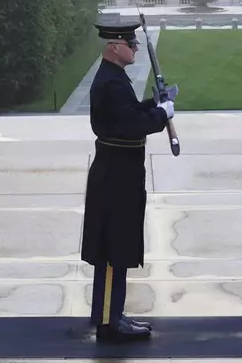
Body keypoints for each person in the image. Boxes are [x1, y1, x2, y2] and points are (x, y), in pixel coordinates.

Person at [80, 20, 176, 343]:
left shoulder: (115, 79)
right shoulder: (110, 82)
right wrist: (162, 115)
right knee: (111, 251)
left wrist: (156, 103)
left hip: (119, 174)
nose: (135, 48)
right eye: (129, 43)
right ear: (113, 47)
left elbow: (131, 113)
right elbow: (132, 125)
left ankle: (111, 314)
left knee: (117, 247)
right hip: (115, 177)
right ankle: (109, 324)